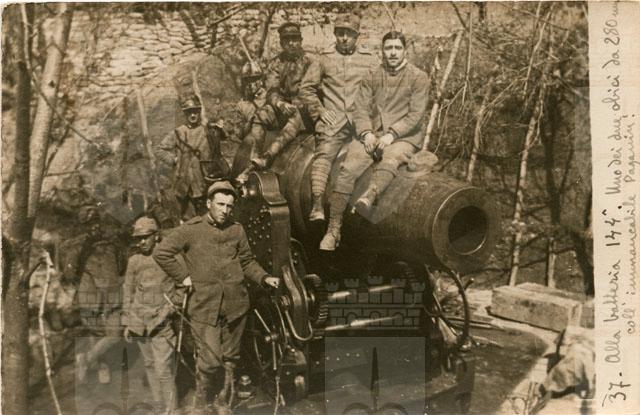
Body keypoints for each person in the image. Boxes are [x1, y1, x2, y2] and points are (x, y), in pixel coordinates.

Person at [153, 180, 280, 414]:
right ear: (208, 203)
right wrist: (183, 277)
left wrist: (264, 277)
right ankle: (200, 403)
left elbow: (247, 262)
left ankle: (223, 402)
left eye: (229, 206)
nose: (225, 210)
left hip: (236, 305)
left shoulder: (237, 230)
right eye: (220, 204)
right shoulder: (191, 229)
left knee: (231, 358)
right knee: (210, 361)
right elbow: (162, 253)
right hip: (204, 307)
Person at [319, 31, 429, 250]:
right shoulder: (372, 75)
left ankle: (370, 195)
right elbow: (359, 108)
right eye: (389, 48)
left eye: (397, 48)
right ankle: (333, 229)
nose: (393, 53)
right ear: (382, 51)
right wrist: (366, 133)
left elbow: (415, 115)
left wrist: (392, 134)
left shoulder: (418, 77)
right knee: (348, 168)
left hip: (404, 137)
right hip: (374, 133)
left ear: (405, 51)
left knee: (391, 157)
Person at [299, 13, 378, 222]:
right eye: (340, 33)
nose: (344, 38)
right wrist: (320, 111)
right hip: (334, 121)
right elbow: (306, 89)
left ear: (357, 36)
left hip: (361, 120)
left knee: (376, 152)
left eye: (349, 34)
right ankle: (317, 204)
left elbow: (381, 89)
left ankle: (369, 201)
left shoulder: (370, 59)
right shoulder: (324, 58)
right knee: (324, 155)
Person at [63, 205, 126, 384]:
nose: (94, 226)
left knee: (115, 333)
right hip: (90, 297)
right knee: (96, 332)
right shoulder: (77, 247)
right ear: (82, 226)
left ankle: (87, 359)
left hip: (112, 296)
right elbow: (69, 273)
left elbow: (122, 265)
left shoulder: (111, 243)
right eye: (89, 223)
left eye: (96, 221)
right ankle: (102, 367)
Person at [122, 217, 178, 414]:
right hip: (139, 321)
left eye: (146, 237)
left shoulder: (169, 257)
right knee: (150, 364)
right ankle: (159, 406)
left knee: (163, 369)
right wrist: (127, 322)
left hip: (162, 322)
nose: (142, 242)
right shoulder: (134, 261)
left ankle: (171, 410)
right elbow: (128, 290)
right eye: (138, 238)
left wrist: (169, 310)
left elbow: (182, 287)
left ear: (156, 236)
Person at [249, 22, 316, 170]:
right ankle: (254, 157)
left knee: (296, 116)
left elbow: (317, 88)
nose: (291, 43)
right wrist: (280, 104)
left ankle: (268, 157)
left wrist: (301, 103)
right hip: (284, 108)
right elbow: (272, 89)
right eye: (287, 40)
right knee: (261, 114)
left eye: (295, 39)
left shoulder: (311, 61)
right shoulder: (276, 63)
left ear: (301, 41)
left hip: (306, 112)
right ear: (281, 43)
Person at [156, 96, 211, 221]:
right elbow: (159, 150)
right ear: (185, 114)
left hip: (202, 180)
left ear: (199, 113)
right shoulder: (178, 132)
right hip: (184, 180)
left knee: (205, 218)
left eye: (195, 112)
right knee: (187, 218)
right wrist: (174, 160)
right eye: (189, 112)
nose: (193, 115)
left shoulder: (206, 131)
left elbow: (216, 149)